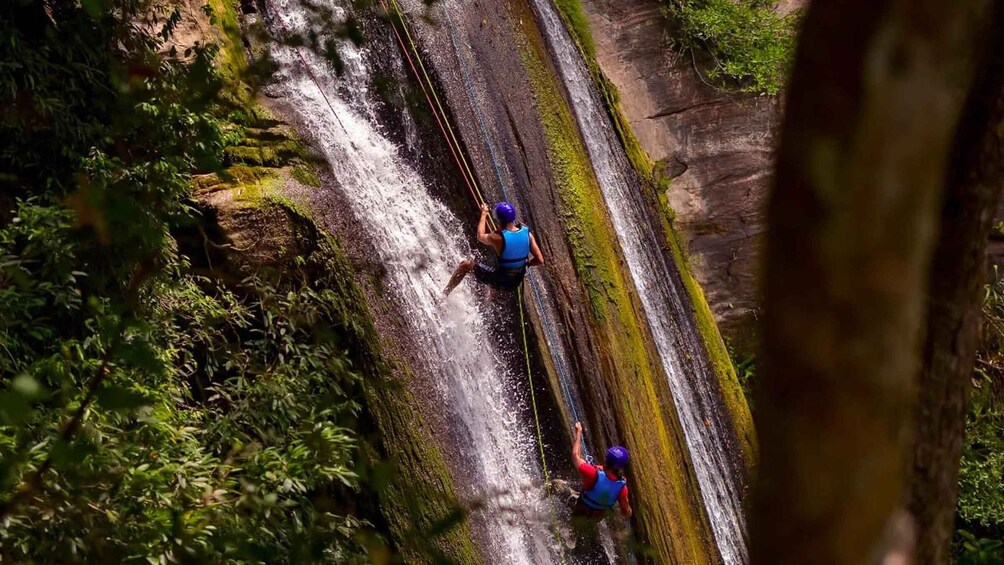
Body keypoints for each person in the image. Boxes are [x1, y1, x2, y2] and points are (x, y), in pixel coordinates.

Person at [442, 201, 544, 296]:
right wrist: (528, 263)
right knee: (494, 272)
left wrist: (484, 213)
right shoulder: (527, 234)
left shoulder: (497, 238)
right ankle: (491, 294)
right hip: (515, 282)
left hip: (500, 281)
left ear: (498, 219)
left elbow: (480, 236)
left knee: (465, 265)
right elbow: (539, 260)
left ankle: (444, 294)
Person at [570, 421, 632, 520]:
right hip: (596, 518)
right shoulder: (622, 487)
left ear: (606, 458)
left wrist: (578, 433)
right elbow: (626, 512)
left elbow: (575, 456)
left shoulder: (592, 472)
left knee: (556, 485)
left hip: (579, 510)